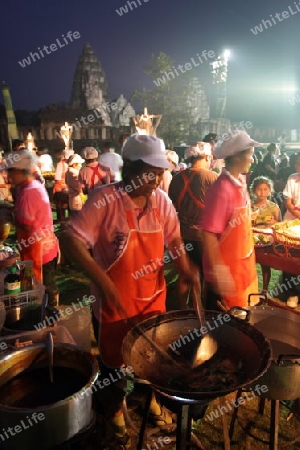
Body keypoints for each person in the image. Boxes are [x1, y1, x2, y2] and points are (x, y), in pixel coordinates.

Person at [63, 134, 199, 449]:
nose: (160, 177)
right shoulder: (104, 199)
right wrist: (104, 281)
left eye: (162, 170)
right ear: (133, 170)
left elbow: (176, 241)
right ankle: (113, 414)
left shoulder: (162, 201)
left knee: (153, 359)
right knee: (113, 365)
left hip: (152, 301)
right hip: (113, 307)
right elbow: (71, 241)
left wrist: (185, 269)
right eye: (153, 171)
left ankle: (149, 400)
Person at [201, 130, 261, 309]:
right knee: (225, 331)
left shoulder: (240, 183)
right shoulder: (221, 189)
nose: (252, 159)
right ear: (236, 157)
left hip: (244, 271)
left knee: (244, 325)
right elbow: (208, 234)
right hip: (227, 278)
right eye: (250, 155)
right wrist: (220, 275)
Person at [4, 150, 59, 305]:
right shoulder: (27, 186)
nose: (9, 176)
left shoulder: (30, 191)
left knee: (45, 288)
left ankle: (51, 318)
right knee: (43, 286)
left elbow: (27, 226)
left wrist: (10, 219)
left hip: (40, 250)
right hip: (40, 246)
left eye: (11, 172)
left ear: (21, 171)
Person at [169, 142, 217, 307]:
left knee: (185, 273)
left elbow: (172, 206)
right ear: (206, 157)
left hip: (181, 235)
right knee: (206, 275)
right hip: (204, 237)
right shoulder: (211, 177)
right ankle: (202, 310)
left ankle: (183, 309)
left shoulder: (176, 178)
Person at [251, 176, 281, 296]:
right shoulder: (251, 207)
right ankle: (251, 288)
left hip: (266, 240)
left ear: (270, 190)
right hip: (252, 239)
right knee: (251, 265)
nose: (262, 192)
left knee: (265, 264)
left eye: (265, 189)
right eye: (259, 189)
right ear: (254, 191)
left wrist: (274, 223)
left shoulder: (274, 207)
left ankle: (264, 289)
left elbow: (280, 224)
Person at [53, 149, 74, 223]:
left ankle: (71, 221)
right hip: (61, 189)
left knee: (70, 206)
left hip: (70, 189)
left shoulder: (73, 165)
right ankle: (62, 222)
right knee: (61, 207)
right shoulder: (60, 164)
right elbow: (57, 178)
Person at [282, 153, 300, 220]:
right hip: (293, 215)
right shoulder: (292, 178)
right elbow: (288, 203)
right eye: (297, 163)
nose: (297, 165)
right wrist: (297, 213)